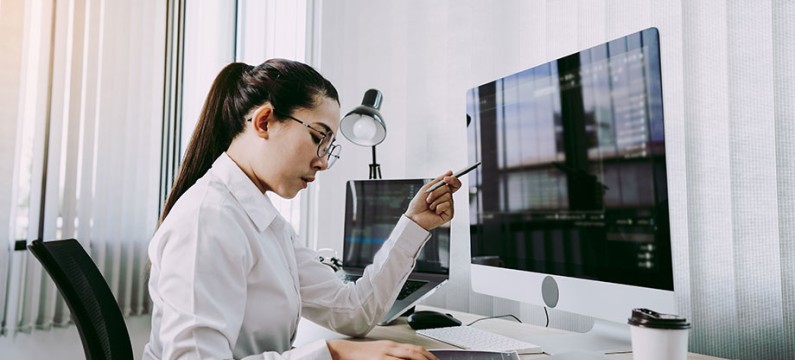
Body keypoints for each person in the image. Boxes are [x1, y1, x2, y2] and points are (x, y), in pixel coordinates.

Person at [143, 58, 461, 360]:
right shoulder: (207, 220)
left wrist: (415, 223)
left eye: (329, 147)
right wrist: (334, 353)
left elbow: (354, 311)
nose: (323, 162)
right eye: (318, 137)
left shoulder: (266, 224)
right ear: (264, 122)